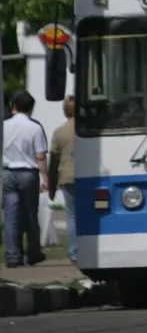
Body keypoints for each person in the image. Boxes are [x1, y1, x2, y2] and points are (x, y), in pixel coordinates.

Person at [3, 91, 51, 267]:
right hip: (28, 173)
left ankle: (12, 255)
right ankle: (33, 253)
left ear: (13, 106)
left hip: (8, 172)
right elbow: (40, 156)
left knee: (11, 216)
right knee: (30, 215)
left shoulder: (4, 125)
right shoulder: (35, 127)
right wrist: (45, 178)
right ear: (31, 108)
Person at [49, 95, 76, 263]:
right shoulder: (87, 129)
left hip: (67, 176)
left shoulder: (59, 133)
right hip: (87, 176)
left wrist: (51, 187)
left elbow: (54, 161)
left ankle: (73, 251)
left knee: (71, 215)